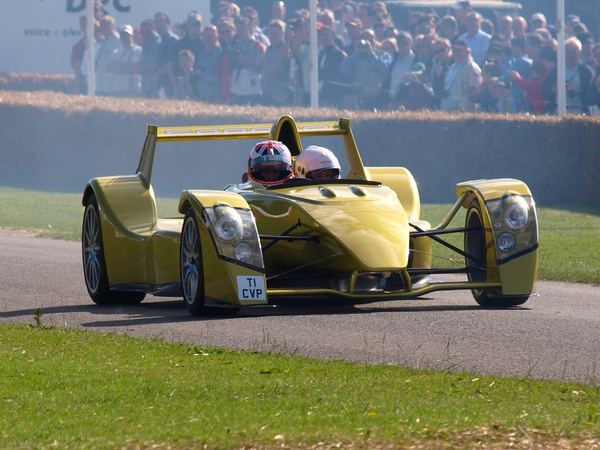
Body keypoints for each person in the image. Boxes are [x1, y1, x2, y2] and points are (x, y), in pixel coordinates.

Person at [542, 37, 595, 114]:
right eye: (567, 52)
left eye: (573, 52)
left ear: (580, 52)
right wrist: (555, 90)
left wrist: (577, 91)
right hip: (557, 112)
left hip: (580, 114)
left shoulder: (587, 72)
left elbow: (593, 97)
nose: (570, 55)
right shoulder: (556, 71)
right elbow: (543, 92)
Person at [440, 38, 482, 112]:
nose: (456, 53)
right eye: (454, 50)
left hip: (462, 114)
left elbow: (473, 93)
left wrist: (460, 108)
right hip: (447, 111)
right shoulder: (453, 67)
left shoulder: (472, 67)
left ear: (468, 51)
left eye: (459, 50)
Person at [261, 19, 292, 106]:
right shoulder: (269, 49)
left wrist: (264, 58)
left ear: (282, 34)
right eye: (271, 34)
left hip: (278, 95)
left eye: (275, 34)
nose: (272, 36)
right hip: (266, 92)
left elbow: (273, 71)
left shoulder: (285, 49)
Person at [106, 24, 142, 97]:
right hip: (117, 89)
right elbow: (109, 68)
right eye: (122, 35)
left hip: (132, 89)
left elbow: (134, 68)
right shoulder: (116, 52)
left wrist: (118, 67)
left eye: (127, 35)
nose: (124, 37)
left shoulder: (138, 50)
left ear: (132, 36)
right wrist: (124, 65)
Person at [153, 11, 179, 99]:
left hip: (169, 82)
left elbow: (170, 63)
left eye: (161, 21)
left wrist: (158, 74)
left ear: (168, 23)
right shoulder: (159, 41)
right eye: (156, 21)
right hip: (161, 83)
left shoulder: (172, 39)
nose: (158, 24)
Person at [95, 15, 122, 95]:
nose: (103, 29)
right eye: (101, 26)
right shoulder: (103, 41)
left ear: (112, 26)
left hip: (111, 86)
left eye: (105, 26)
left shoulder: (118, 41)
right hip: (100, 84)